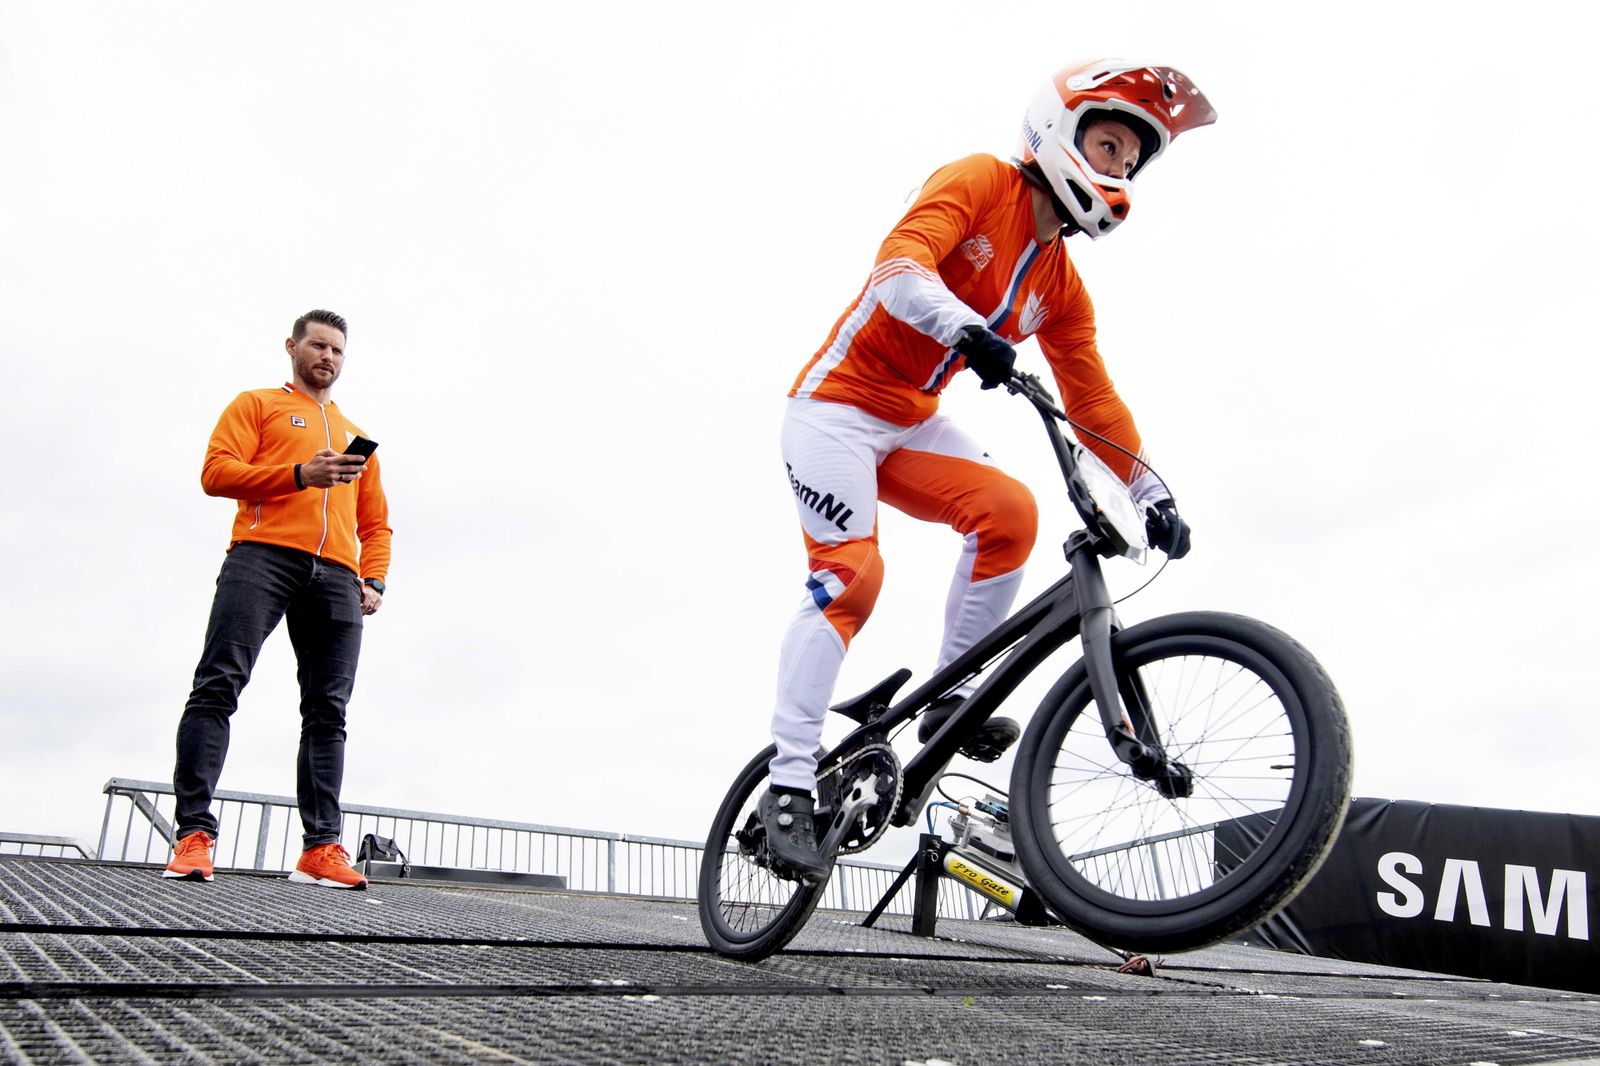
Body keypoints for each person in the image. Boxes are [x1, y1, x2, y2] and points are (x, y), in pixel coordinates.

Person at [761, 61, 1216, 881]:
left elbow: (1093, 398)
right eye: (1106, 142)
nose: (1114, 167)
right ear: (1057, 130)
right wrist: (966, 328)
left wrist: (1151, 489)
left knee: (1012, 513)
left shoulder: (1061, 286)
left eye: (1127, 159)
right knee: (851, 579)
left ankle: (945, 702)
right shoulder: (980, 180)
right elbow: (899, 266)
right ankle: (788, 781)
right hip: (832, 408)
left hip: (907, 419)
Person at [163, 309, 392, 890]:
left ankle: (321, 848)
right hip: (262, 556)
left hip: (339, 576)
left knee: (328, 713)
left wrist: (374, 578)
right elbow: (217, 473)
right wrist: (297, 475)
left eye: (338, 350)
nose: (328, 357)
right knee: (218, 684)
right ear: (292, 346)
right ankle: (193, 835)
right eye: (318, 345)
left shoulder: (354, 435)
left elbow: (377, 523)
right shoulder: (257, 405)